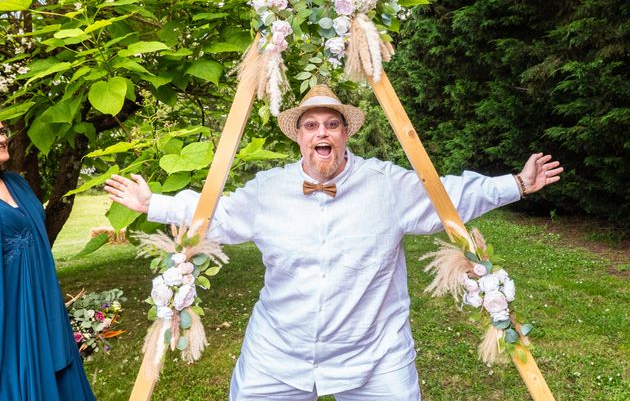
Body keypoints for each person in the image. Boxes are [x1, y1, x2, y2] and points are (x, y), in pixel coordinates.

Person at [105, 85, 563, 400]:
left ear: (346, 133)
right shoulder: (267, 190)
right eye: (311, 125)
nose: (321, 132)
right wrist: (154, 204)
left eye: (332, 124)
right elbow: (214, 216)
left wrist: (517, 184)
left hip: (374, 352)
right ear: (299, 137)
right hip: (278, 350)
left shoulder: (387, 185)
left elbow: (450, 196)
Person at [0, 122, 95, 400]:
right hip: (11, 322)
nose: (2, 138)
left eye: (2, 130)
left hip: (44, 306)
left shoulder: (17, 183)